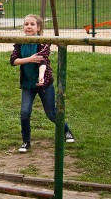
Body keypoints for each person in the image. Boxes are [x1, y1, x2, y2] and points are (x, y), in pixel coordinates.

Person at [10, 14, 75, 153]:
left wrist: (41, 78)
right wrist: (29, 59)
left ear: (38, 28)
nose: (28, 26)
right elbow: (13, 61)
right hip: (28, 85)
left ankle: (66, 131)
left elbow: (42, 61)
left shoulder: (43, 42)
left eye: (32, 24)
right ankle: (26, 142)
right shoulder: (19, 42)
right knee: (24, 112)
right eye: (26, 24)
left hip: (44, 84)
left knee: (51, 113)